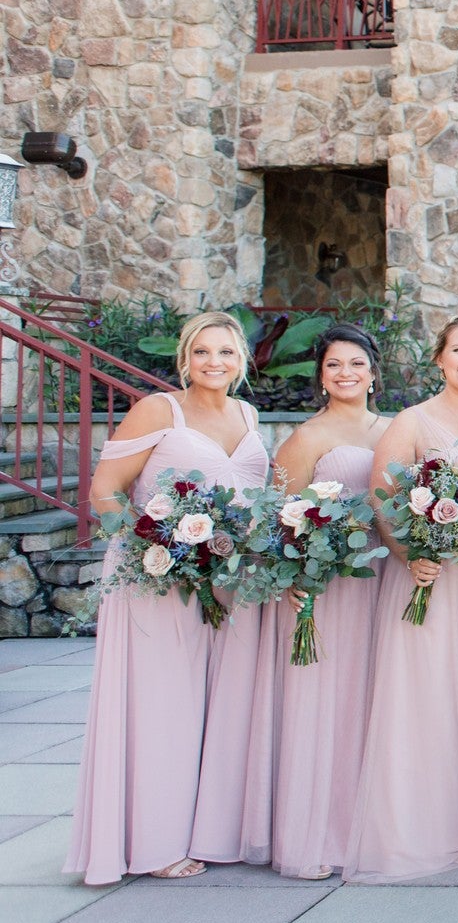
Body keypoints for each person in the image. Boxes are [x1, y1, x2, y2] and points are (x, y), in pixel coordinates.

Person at [67, 312, 270, 884]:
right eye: (202, 352)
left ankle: (207, 830)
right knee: (163, 706)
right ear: (185, 358)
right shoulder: (160, 410)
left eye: (225, 352)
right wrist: (158, 549)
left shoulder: (248, 414)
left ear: (241, 359)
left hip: (229, 579)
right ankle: (154, 844)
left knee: (218, 705)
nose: (214, 362)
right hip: (159, 578)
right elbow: (105, 492)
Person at [346, 316, 458, 882]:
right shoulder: (413, 420)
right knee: (432, 695)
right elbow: (381, 495)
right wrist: (407, 554)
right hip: (431, 577)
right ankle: (432, 827)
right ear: (439, 358)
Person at [264, 326, 392, 880]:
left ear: (373, 373)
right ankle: (317, 835)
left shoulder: (394, 429)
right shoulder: (307, 438)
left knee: (377, 699)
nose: (346, 373)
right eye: (334, 364)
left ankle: (373, 828)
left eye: (356, 363)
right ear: (320, 376)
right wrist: (293, 574)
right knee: (327, 702)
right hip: (329, 585)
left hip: (384, 577)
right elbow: (276, 517)